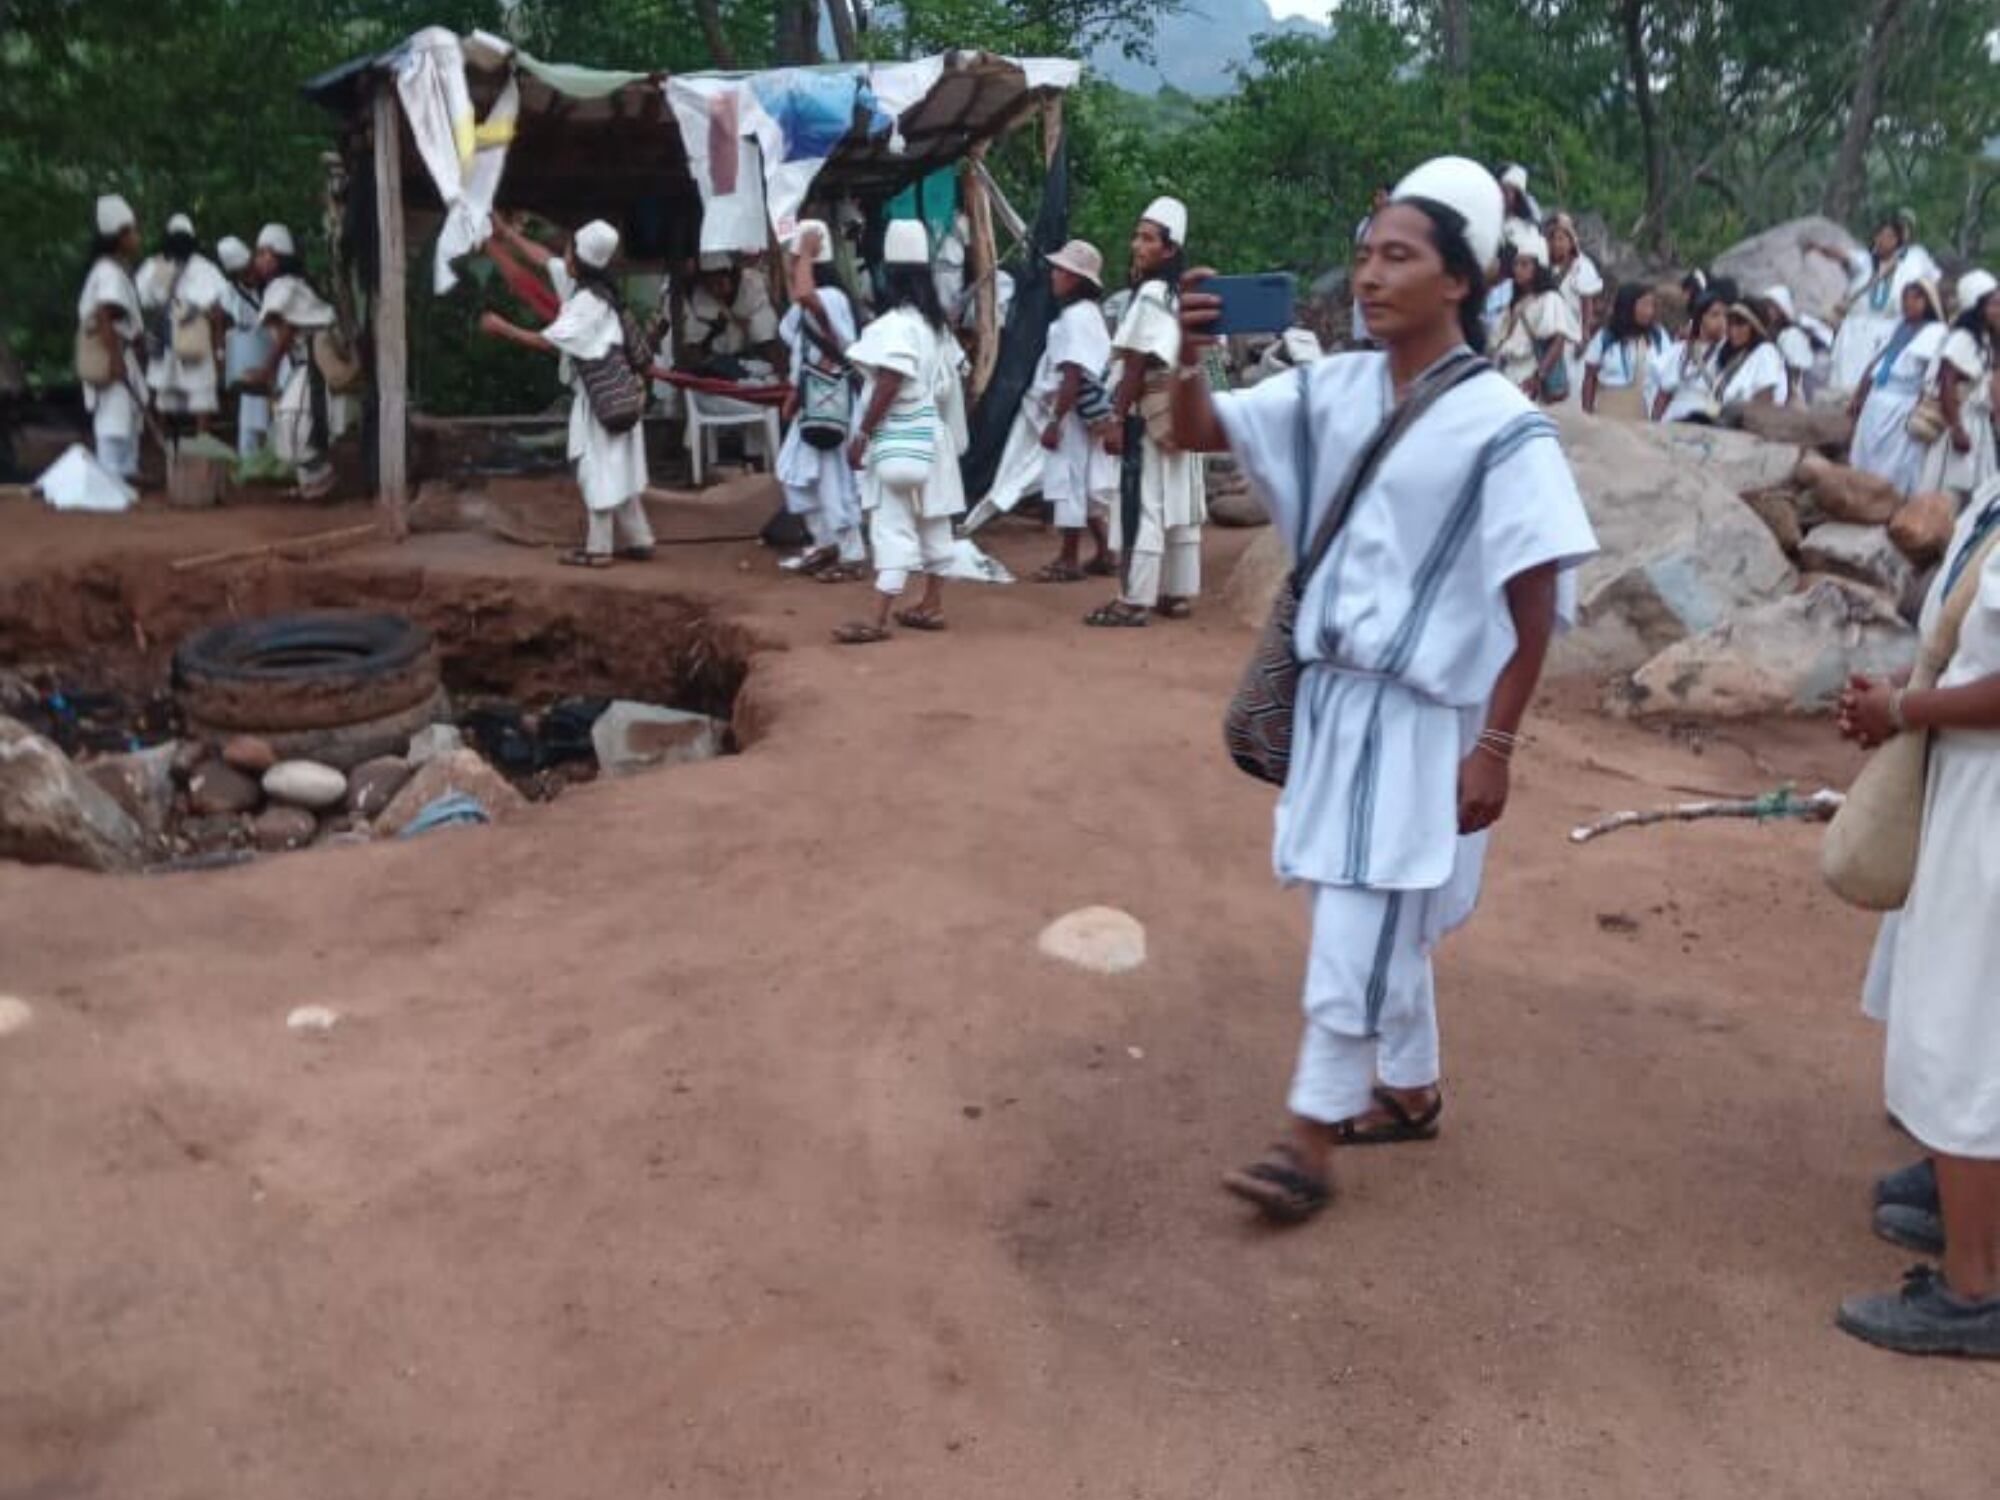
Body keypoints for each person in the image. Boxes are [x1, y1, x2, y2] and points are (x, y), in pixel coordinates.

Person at [1166, 155, 1596, 1225]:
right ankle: (1406, 1086)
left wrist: (1496, 745)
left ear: (1458, 279)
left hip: (1418, 714)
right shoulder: (1334, 389)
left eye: (1397, 257)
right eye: (1364, 256)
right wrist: (1186, 356)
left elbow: (1535, 595)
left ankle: (1309, 1138)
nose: (1368, 276)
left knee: (1357, 911)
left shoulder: (1501, 424)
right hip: (1331, 703)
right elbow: (1197, 430)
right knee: (1361, 900)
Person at [1833, 479, 2000, 1357]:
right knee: (1960, 1017)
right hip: (1968, 781)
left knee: (1966, 1036)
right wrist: (1908, 688)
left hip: (1991, 801)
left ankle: (1974, 1289)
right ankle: (1967, 1209)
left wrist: (1904, 709)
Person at [479, 219, 657, 567]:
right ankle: (640, 539)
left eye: (569, 249)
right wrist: (508, 233)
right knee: (618, 471)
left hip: (600, 401)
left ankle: (599, 549)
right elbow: (545, 259)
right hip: (619, 396)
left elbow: (546, 341)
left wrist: (501, 328)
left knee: (596, 471)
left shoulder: (586, 303)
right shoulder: (591, 288)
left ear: (579, 259)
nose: (564, 254)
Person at [833, 219, 968, 644]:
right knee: (934, 520)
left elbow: (890, 380)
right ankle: (931, 603)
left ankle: (877, 619)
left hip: (900, 436)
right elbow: (955, 379)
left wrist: (863, 434)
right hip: (934, 437)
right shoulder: (936, 327)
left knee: (892, 525)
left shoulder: (895, 326)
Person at [1085, 197, 1206, 627]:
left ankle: (1133, 599)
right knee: (1182, 501)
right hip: (1186, 410)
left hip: (1151, 413)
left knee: (1142, 501)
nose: (1137, 245)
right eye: (1138, 237)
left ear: (1169, 249)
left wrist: (1116, 418)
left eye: (1148, 239)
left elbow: (1136, 360)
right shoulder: (1187, 295)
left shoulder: (1152, 294)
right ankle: (1176, 593)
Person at [774, 220, 866, 582]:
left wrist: (807, 253)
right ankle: (825, 542)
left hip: (831, 402)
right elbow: (804, 352)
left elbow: (804, 295)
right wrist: (794, 395)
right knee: (798, 475)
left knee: (833, 480)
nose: (792, 266)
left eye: (795, 260)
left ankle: (851, 554)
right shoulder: (811, 303)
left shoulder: (830, 297)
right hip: (813, 400)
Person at [1026, 239, 1118, 583]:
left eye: (1061, 271)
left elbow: (1073, 373)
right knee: (1086, 479)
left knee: (1067, 479)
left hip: (1073, 410)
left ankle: (1068, 558)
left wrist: (1055, 420)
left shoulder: (1075, 319)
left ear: (1077, 279)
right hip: (1089, 410)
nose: (1054, 275)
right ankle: (1105, 550)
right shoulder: (1089, 314)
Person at [242, 223, 340, 498]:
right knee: (292, 419)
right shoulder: (289, 285)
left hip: (316, 363)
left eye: (266, 253)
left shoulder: (284, 286)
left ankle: (321, 478)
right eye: (258, 253)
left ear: (281, 256)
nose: (259, 259)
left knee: (291, 419)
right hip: (306, 364)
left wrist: (267, 371)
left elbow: (287, 330)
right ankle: (310, 482)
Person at [1814, 212, 1941, 397]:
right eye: (1880, 235)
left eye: (1889, 236)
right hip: (1855, 331)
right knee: (1844, 383)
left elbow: (1932, 283)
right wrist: (1818, 247)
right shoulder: (1864, 261)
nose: (1882, 240)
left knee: (1875, 385)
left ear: (1898, 240)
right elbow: (1842, 255)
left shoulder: (1912, 262)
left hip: (1889, 330)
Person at [1849, 280, 1947, 498]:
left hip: (1904, 403)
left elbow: (1931, 374)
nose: (1908, 303)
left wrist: (1921, 405)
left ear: (1929, 302)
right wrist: (1860, 392)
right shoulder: (1898, 326)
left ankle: (1890, 499)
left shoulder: (1935, 331)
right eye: (1905, 298)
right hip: (1877, 398)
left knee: (1897, 461)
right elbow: (1877, 360)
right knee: (1867, 452)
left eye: (1916, 298)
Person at [135, 212, 227, 434]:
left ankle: (166, 443)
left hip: (166, 338)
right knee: (201, 396)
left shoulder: (154, 266)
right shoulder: (205, 268)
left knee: (165, 395)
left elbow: (141, 300)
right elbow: (218, 311)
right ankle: (201, 443)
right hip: (195, 336)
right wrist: (219, 350)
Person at [77, 194, 145, 480]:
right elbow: (105, 314)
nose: (137, 237)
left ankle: (123, 477)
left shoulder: (111, 270)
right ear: (120, 236)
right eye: (133, 231)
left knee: (126, 418)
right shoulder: (108, 272)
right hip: (111, 352)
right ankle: (110, 480)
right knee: (114, 421)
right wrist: (116, 359)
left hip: (120, 350)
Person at [1915, 270, 1999, 503]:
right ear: (1978, 307)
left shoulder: (1984, 339)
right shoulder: (1963, 338)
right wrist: (1957, 429)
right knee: (1947, 490)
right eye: (1994, 304)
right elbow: (1947, 381)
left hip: (1978, 423)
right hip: (1961, 420)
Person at [1491, 229, 1578, 404]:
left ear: (1538, 268)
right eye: (1516, 264)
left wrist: (1538, 377)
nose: (1518, 269)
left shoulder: (1550, 299)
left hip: (1529, 373)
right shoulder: (1515, 301)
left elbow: (1558, 342)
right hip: (1508, 372)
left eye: (1524, 264)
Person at [215, 235, 271, 457]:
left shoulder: (270, 282)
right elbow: (219, 318)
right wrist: (221, 353)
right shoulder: (229, 291)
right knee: (250, 405)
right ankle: (250, 456)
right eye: (244, 273)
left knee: (278, 406)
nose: (250, 275)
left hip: (275, 348)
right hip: (249, 351)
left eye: (250, 269)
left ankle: (279, 454)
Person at [1580, 283, 1669, 420]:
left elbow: (1668, 375)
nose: (1649, 311)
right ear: (1628, 306)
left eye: (1652, 305)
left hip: (1645, 413)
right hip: (1608, 412)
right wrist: (1587, 416)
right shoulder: (1606, 337)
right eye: (1644, 305)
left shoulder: (1658, 336)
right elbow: (1589, 377)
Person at [680, 251, 780, 371]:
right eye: (709, 285)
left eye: (720, 283)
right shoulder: (700, 295)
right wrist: (714, 328)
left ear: (732, 276)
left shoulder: (752, 283)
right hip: (719, 361)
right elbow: (695, 344)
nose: (714, 290)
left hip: (755, 358)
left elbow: (766, 335)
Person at [1652, 291, 1730, 424]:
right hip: (1676, 418)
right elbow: (1663, 395)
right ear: (1700, 318)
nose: (1722, 321)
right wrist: (1654, 426)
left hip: (1710, 418)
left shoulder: (1728, 352)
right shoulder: (1680, 351)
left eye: (1725, 316)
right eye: (1715, 315)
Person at [1546, 212, 1603, 392]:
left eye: (1561, 239)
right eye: (1553, 239)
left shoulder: (1582, 267)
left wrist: (1584, 336)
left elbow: (1587, 303)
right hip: (1547, 333)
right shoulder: (1545, 266)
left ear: (1571, 241)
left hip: (1571, 335)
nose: (1557, 244)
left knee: (1570, 384)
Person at [1713, 302, 1788, 408]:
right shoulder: (1737, 357)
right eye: (1730, 324)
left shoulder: (1766, 352)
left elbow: (1765, 399)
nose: (1733, 330)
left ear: (1754, 327)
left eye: (1740, 324)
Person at [1350, 182, 1392, 346]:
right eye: (1376, 196)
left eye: (1382, 195)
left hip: (1387, 279)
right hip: (1366, 276)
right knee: (1364, 328)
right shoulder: (1365, 224)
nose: (1378, 200)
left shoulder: (1399, 225)